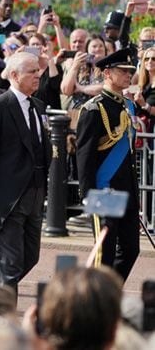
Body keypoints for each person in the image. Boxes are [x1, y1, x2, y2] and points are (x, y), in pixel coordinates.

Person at [0, 52, 51, 295]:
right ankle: (3, 324)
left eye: (38, 70)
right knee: (9, 266)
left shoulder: (37, 106)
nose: (37, 75)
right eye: (31, 71)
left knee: (29, 257)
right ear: (15, 75)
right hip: (7, 198)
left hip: (34, 194)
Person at [76, 49, 140, 281]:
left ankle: (108, 295)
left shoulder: (128, 106)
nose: (128, 75)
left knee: (131, 250)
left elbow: (130, 154)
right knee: (105, 254)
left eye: (130, 71)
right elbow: (84, 157)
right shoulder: (95, 109)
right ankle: (94, 303)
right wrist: (89, 195)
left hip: (126, 192)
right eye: (123, 71)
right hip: (104, 190)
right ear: (107, 73)